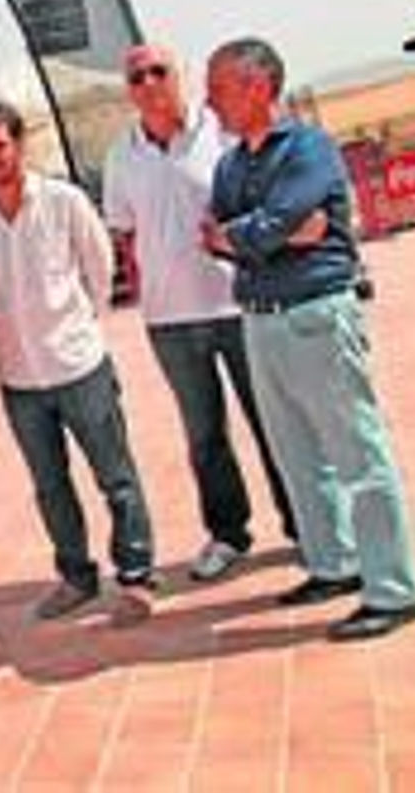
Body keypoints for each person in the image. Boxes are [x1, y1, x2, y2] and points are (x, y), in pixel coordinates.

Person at [203, 37, 415, 641]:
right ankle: (334, 564)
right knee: (297, 456)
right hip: (261, 318)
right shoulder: (230, 165)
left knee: (357, 454)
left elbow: (286, 226)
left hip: (317, 316)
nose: (209, 100)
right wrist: (265, 233)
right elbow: (229, 232)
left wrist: (255, 233)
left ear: (257, 86)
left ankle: (394, 589)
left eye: (219, 87)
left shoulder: (309, 148)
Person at [102, 43, 298, 581]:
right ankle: (228, 533)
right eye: (136, 76)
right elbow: (125, 233)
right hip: (169, 321)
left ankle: (305, 524)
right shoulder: (121, 157)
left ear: (180, 75)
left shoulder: (222, 133)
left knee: (271, 421)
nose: (147, 83)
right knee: (204, 436)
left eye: (158, 71)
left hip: (240, 304)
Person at [0, 102, 158, 622]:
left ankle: (136, 572)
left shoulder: (63, 200)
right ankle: (76, 575)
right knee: (49, 485)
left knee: (115, 475)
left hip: (78, 364)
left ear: (19, 144)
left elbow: (99, 263)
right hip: (18, 375)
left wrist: (86, 325)